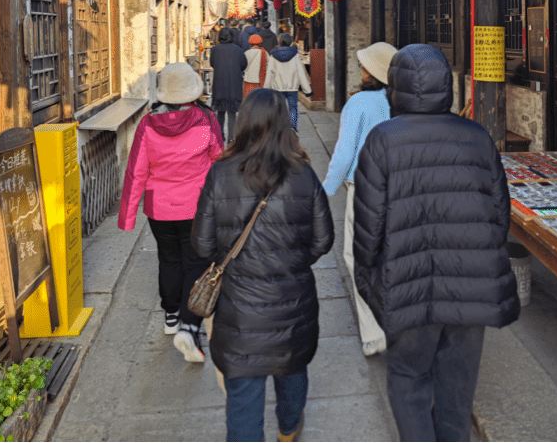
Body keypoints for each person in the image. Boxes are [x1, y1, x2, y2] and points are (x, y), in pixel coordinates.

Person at [353, 44, 520, 443]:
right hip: (471, 286)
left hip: (407, 284)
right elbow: (500, 218)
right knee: (457, 392)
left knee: (409, 380)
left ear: (396, 87)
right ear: (446, 85)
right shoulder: (477, 137)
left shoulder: (383, 140)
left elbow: (368, 230)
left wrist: (370, 283)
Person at [191, 89, 334, 443]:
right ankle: (288, 430)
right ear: (285, 125)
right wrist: (293, 262)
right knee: (292, 370)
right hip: (293, 301)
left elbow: (203, 244)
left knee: (243, 396)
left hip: (239, 309)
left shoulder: (220, 174)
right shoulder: (303, 174)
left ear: (243, 123)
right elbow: (323, 240)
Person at [118, 62, 223, 363]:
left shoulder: (147, 124)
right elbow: (219, 159)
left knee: (168, 259)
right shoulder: (206, 120)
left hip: (159, 208)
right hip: (195, 206)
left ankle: (171, 317)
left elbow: (136, 171)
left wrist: (127, 217)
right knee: (194, 262)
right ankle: (189, 325)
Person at [322, 42, 396, 357]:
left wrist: (326, 190)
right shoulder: (401, 102)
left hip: (365, 189)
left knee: (358, 257)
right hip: (399, 188)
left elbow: (344, 153)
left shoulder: (360, 102)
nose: (361, 70)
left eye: (365, 65)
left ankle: (375, 331)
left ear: (372, 72)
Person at [264, 33, 312, 131]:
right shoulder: (295, 54)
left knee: (279, 108)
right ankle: (293, 126)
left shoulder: (273, 55)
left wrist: (266, 89)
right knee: (293, 107)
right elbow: (301, 73)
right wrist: (307, 90)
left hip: (278, 87)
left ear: (280, 41)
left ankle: (280, 127)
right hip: (292, 87)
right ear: (290, 41)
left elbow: (270, 73)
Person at [210, 27, 247, 143]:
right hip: (234, 84)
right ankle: (231, 137)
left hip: (219, 83)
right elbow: (244, 64)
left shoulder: (215, 49)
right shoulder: (238, 49)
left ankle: (220, 135)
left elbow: (212, 63)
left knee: (220, 111)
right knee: (232, 112)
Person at [243, 33, 268, 98]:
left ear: (250, 43)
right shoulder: (264, 53)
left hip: (248, 80)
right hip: (260, 81)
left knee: (248, 99)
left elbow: (244, 66)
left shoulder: (247, 53)